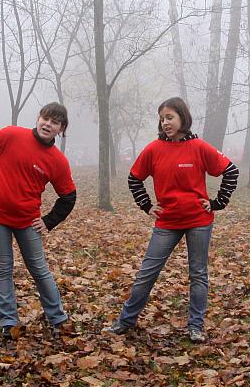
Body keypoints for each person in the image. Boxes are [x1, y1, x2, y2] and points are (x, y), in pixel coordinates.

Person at [102, 97, 239, 343]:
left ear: (182, 118)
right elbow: (134, 178)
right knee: (147, 273)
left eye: (170, 117)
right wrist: (146, 205)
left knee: (198, 274)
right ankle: (125, 321)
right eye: (162, 118)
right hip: (166, 223)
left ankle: (195, 327)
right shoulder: (153, 149)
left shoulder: (199, 146)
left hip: (199, 221)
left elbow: (231, 171)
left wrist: (218, 203)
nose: (165, 123)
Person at [0, 102, 76, 339]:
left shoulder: (57, 161)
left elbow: (68, 196)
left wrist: (49, 221)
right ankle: (9, 322)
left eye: (55, 122)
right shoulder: (12, 135)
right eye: (45, 118)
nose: (48, 124)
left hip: (28, 220)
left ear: (61, 128)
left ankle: (58, 318)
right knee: (4, 268)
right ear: (38, 118)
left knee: (39, 270)